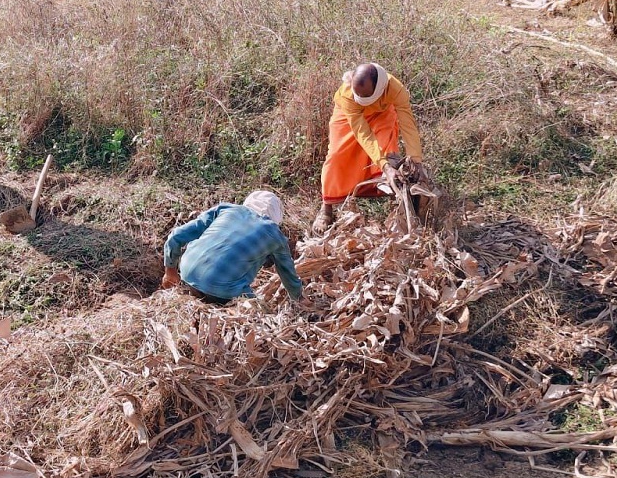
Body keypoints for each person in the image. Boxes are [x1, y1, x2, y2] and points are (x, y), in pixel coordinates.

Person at [312, 63, 424, 234]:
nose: (362, 98)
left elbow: (408, 125)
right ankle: (326, 208)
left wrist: (416, 160)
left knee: (387, 150)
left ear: (380, 89)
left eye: (366, 96)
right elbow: (362, 133)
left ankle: (395, 196)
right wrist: (385, 167)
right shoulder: (348, 96)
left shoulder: (395, 89)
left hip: (382, 114)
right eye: (359, 95)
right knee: (336, 155)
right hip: (349, 115)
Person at [160, 191, 302, 303]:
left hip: (187, 271)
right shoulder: (274, 234)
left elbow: (177, 235)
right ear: (275, 217)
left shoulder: (225, 209)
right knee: (262, 314)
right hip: (224, 289)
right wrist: (299, 298)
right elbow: (288, 274)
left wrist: (170, 271)